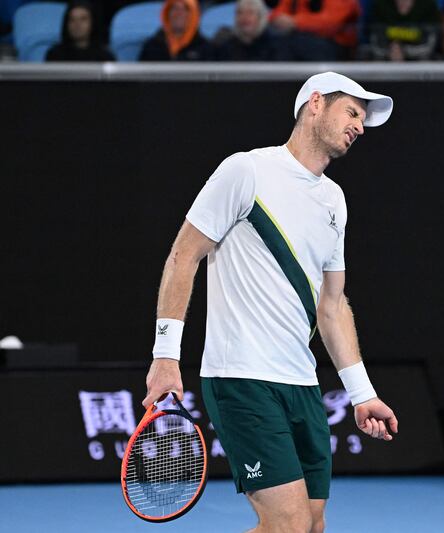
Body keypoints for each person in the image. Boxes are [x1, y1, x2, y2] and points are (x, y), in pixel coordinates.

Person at [142, 71, 398, 533]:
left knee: (313, 524)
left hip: (300, 384)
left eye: (363, 119)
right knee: (288, 525)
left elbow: (333, 305)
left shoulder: (335, 201)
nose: (360, 126)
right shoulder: (246, 170)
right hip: (241, 378)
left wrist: (363, 394)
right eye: (353, 112)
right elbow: (183, 256)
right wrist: (165, 355)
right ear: (315, 103)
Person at [266, 0, 361, 60]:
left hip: (335, 47)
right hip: (295, 40)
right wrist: (278, 18)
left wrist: (295, 22)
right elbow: (277, 13)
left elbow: (331, 23)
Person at [368, 0, 441, 61]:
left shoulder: (428, 4)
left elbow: (430, 44)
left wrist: (404, 50)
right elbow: (375, 42)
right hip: (386, 57)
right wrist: (391, 50)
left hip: (420, 59)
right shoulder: (381, 4)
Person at [139, 0, 212, 61]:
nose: (179, 13)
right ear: (167, 13)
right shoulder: (151, 46)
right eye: (175, 8)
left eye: (186, 9)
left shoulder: (206, 49)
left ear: (194, 15)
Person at [45, 0, 115, 61]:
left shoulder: (105, 57)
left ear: (93, 23)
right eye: (72, 19)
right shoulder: (54, 55)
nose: (77, 24)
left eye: (83, 19)